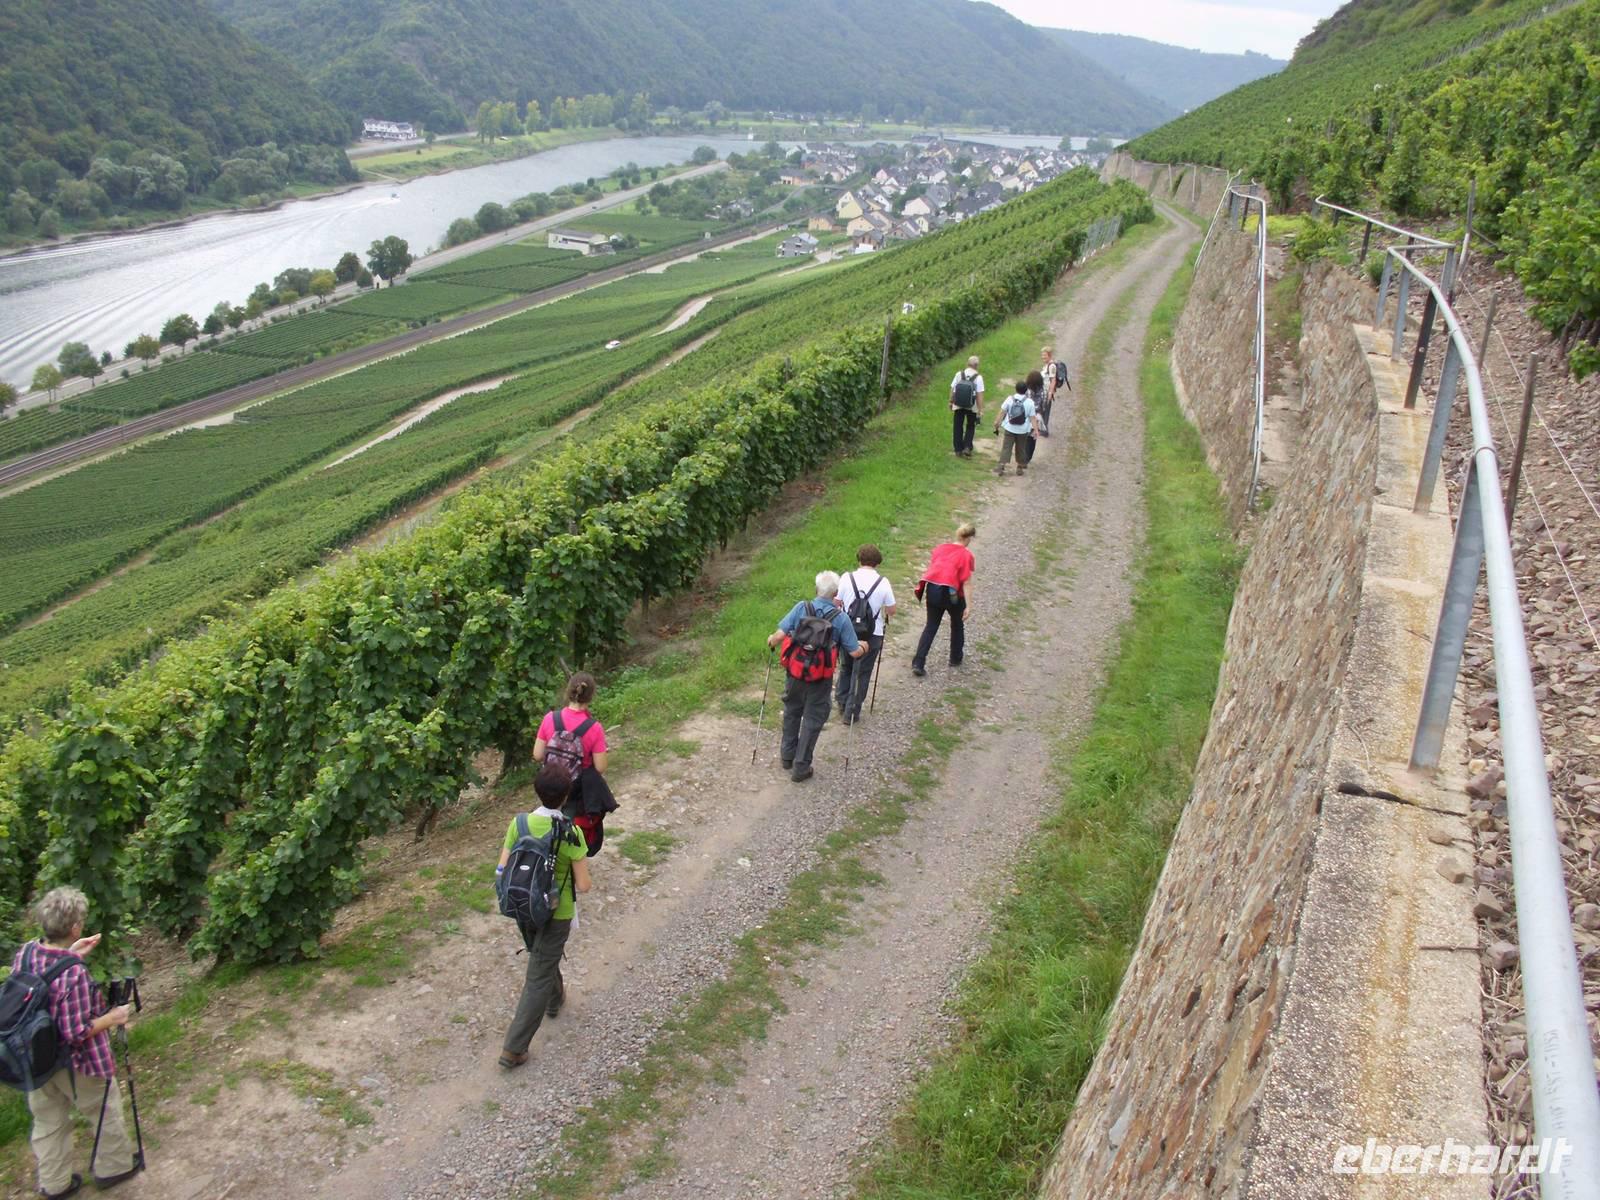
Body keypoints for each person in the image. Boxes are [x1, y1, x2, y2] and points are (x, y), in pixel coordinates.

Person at [11, 887, 140, 1198]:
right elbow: (77, 1031)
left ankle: (55, 1184)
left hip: (36, 1059)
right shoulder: (74, 974)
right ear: (75, 928)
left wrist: (71, 953)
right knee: (103, 1108)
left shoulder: (26, 953)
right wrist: (113, 1017)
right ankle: (114, 1168)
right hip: (77, 1062)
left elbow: (38, 990)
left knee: (48, 1121)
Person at [497, 768, 592, 1069]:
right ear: (565, 796)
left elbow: (501, 869)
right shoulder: (571, 832)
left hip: (523, 905)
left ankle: (555, 998)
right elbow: (584, 885)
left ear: (537, 791)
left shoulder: (519, 823)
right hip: (556, 911)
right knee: (537, 975)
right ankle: (514, 1049)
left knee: (541, 958)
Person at [766, 571, 866, 782]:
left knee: (792, 710)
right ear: (836, 593)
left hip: (795, 673)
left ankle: (787, 756)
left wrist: (771, 641)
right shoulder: (841, 618)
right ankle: (801, 767)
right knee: (813, 717)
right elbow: (854, 652)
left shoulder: (801, 608)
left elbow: (779, 636)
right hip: (820, 677)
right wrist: (864, 647)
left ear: (816, 589)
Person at [535, 672, 615, 855]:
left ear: (568, 691)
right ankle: (566, 856)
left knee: (545, 820)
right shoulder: (594, 728)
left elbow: (538, 755)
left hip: (549, 783)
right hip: (574, 790)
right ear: (591, 696)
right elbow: (601, 767)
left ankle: (542, 851)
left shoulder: (550, 718)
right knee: (567, 828)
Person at [834, 545, 897, 725]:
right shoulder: (883, 582)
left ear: (859, 559)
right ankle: (852, 712)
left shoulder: (847, 578)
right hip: (872, 633)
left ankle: (842, 700)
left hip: (847, 630)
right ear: (877, 563)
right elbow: (892, 610)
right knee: (862, 672)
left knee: (846, 666)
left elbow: (836, 602)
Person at [911, 524, 976, 677]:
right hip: (952, 593)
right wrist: (969, 606)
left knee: (931, 626)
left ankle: (918, 663)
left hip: (933, 589)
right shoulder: (966, 555)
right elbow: (966, 582)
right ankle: (955, 658)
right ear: (969, 538)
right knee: (957, 624)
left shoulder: (940, 548)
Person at [993, 379, 1037, 476]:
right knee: (1021, 448)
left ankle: (1001, 465)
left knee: (1006, 447)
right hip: (1023, 430)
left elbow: (1002, 412)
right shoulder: (1029, 402)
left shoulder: (1010, 399)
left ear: (1016, 389)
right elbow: (1033, 418)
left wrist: (997, 422)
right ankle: (1020, 467)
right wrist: (1036, 430)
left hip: (1010, 428)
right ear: (1026, 390)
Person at [948, 355, 985, 457]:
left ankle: (958, 449)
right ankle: (967, 446)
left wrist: (951, 401)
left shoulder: (959, 374)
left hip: (958, 404)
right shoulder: (978, 377)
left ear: (967, 364)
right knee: (970, 425)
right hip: (971, 406)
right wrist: (980, 409)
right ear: (976, 366)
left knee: (957, 425)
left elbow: (953, 389)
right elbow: (979, 395)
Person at [1041, 346, 1069, 436]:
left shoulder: (1052, 366)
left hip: (1047, 391)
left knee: (1045, 410)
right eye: (1042, 355)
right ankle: (1042, 428)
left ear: (1049, 355)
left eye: (1045, 355)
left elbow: (1053, 380)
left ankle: (1045, 430)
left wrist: (1050, 393)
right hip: (1044, 390)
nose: (1043, 357)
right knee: (1043, 410)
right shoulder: (1047, 365)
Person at [1021, 369, 1046, 467]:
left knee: (1025, 437)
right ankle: (1028, 457)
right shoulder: (1043, 391)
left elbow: (1024, 403)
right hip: (1037, 416)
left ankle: (1023, 457)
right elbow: (1043, 405)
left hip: (1027, 416)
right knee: (1033, 438)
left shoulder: (1027, 391)